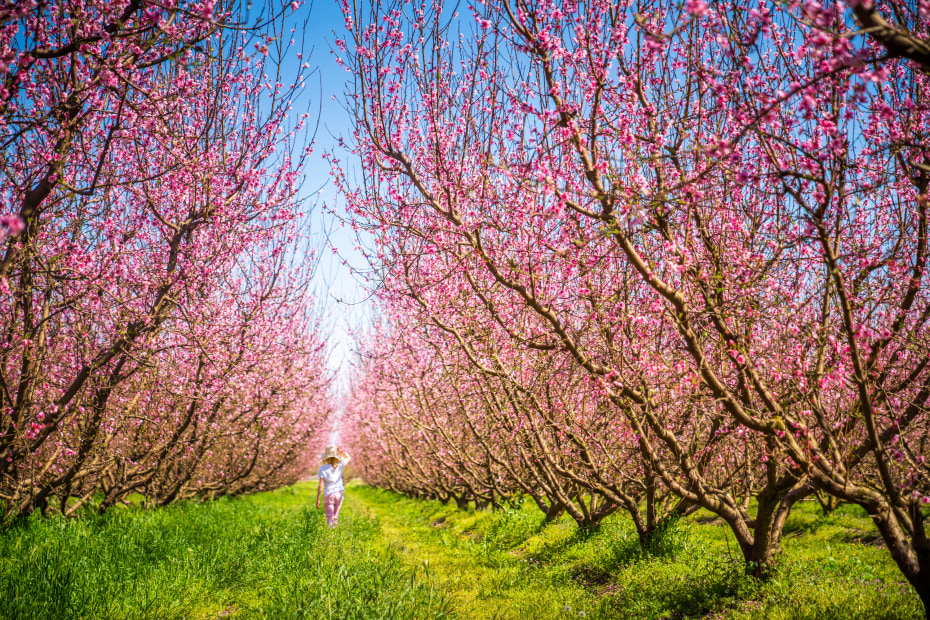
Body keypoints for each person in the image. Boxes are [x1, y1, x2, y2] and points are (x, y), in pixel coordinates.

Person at [316, 445, 351, 527]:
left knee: (329, 517)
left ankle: (330, 533)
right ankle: (334, 534)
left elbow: (320, 484)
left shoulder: (323, 468)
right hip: (339, 494)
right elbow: (348, 457)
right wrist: (340, 451)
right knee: (335, 516)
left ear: (326, 457)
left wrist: (318, 499)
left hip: (329, 495)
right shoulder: (340, 465)